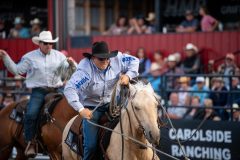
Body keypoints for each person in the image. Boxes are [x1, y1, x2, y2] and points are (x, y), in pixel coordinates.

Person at [0, 31, 75, 157]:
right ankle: (31, 142)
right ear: (39, 44)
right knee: (32, 113)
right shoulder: (30, 57)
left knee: (73, 108)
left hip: (57, 90)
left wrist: (72, 65)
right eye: (45, 43)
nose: (48, 46)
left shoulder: (60, 56)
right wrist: (6, 57)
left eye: (51, 43)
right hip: (39, 91)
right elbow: (17, 70)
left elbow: (67, 75)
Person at [64, 41, 139, 160]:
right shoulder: (85, 71)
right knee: (91, 146)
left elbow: (135, 61)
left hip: (115, 101)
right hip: (92, 107)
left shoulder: (117, 59)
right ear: (93, 58)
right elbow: (69, 89)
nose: (105, 61)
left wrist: (128, 75)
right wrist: (81, 109)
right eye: (101, 59)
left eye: (107, 58)